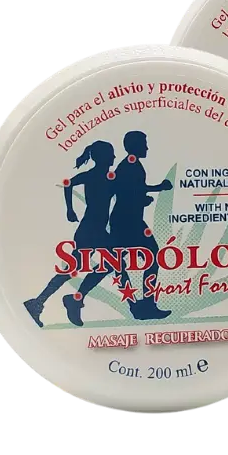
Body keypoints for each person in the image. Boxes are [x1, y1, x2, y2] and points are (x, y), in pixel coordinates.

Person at [61, 131, 173, 326]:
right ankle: (144, 306)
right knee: (147, 258)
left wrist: (150, 192)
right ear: (134, 146)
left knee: (113, 263)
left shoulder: (131, 165)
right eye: (144, 143)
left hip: (129, 221)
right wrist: (153, 190)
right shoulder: (129, 166)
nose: (146, 148)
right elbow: (126, 191)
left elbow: (130, 190)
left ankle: (79, 298)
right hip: (127, 223)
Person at [24, 141, 116, 328]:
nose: (114, 157)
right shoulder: (94, 176)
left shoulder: (106, 177)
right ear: (104, 157)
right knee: (77, 268)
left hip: (96, 230)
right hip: (90, 230)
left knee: (107, 262)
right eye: (111, 154)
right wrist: (69, 210)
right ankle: (48, 301)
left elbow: (69, 184)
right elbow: (69, 184)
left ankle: (62, 300)